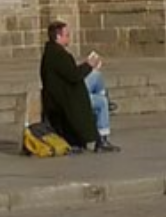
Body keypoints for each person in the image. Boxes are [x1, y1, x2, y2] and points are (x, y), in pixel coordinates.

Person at [40, 20, 119, 152]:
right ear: (58, 37)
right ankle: (102, 139)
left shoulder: (53, 53)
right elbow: (74, 76)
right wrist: (88, 64)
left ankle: (103, 95)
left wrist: (89, 66)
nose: (69, 38)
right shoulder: (59, 55)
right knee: (101, 103)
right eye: (66, 35)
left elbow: (70, 73)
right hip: (68, 98)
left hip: (69, 90)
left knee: (96, 75)